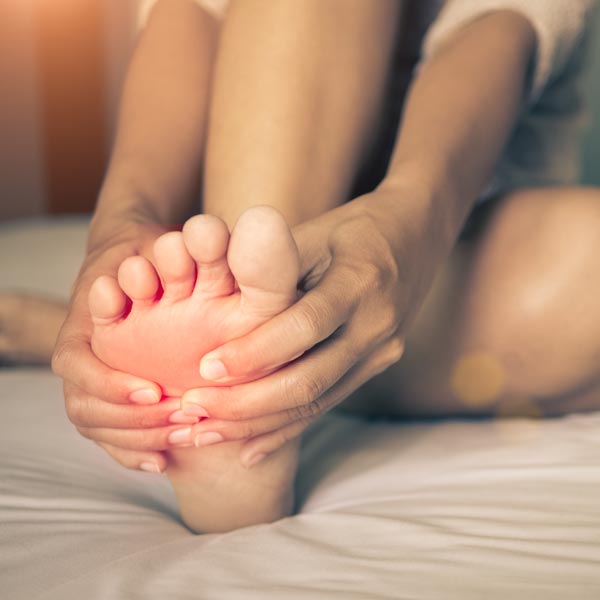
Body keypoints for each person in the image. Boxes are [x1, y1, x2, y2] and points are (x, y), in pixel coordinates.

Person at [8, 0, 599, 533]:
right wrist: (121, 222)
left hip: (446, 233)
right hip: (237, 216)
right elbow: (189, 11)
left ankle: (232, 363)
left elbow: (504, 19)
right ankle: (246, 412)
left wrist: (405, 219)